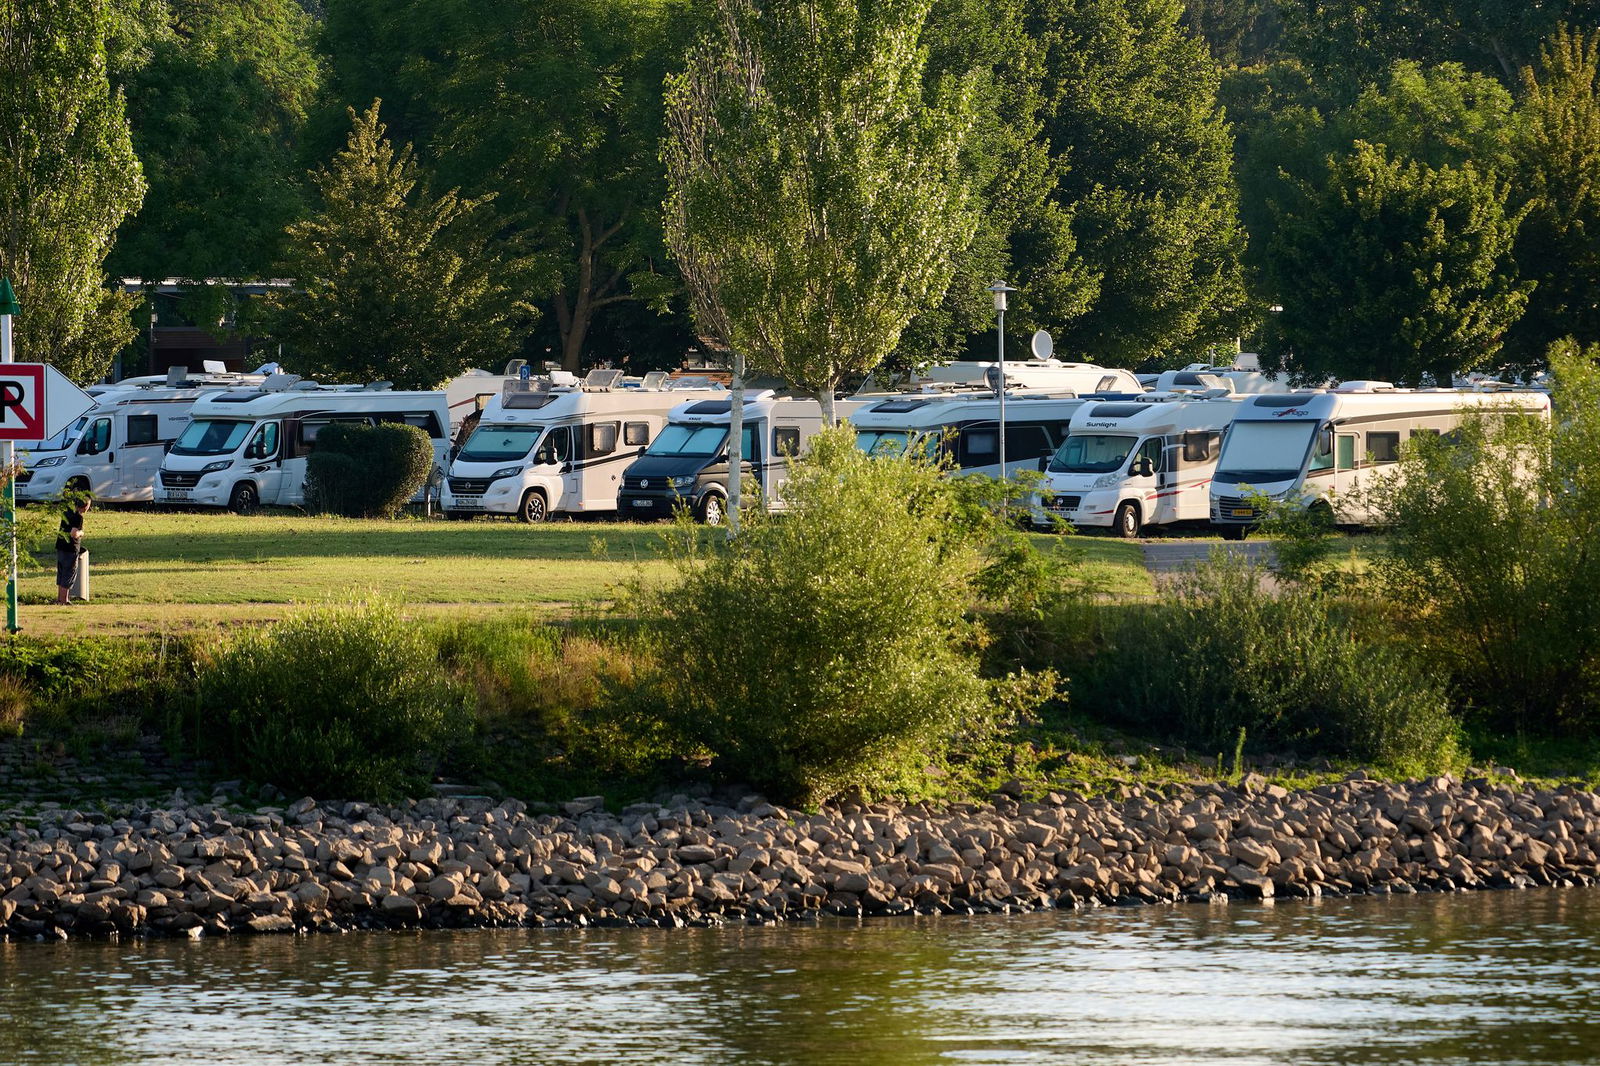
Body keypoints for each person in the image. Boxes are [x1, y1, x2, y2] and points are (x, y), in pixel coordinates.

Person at [56, 497, 91, 605]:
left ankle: (59, 599)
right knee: (69, 574)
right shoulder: (78, 517)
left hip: (60, 546)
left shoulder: (67, 512)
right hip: (70, 549)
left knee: (61, 573)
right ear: (85, 506)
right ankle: (64, 600)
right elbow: (74, 533)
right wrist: (82, 533)